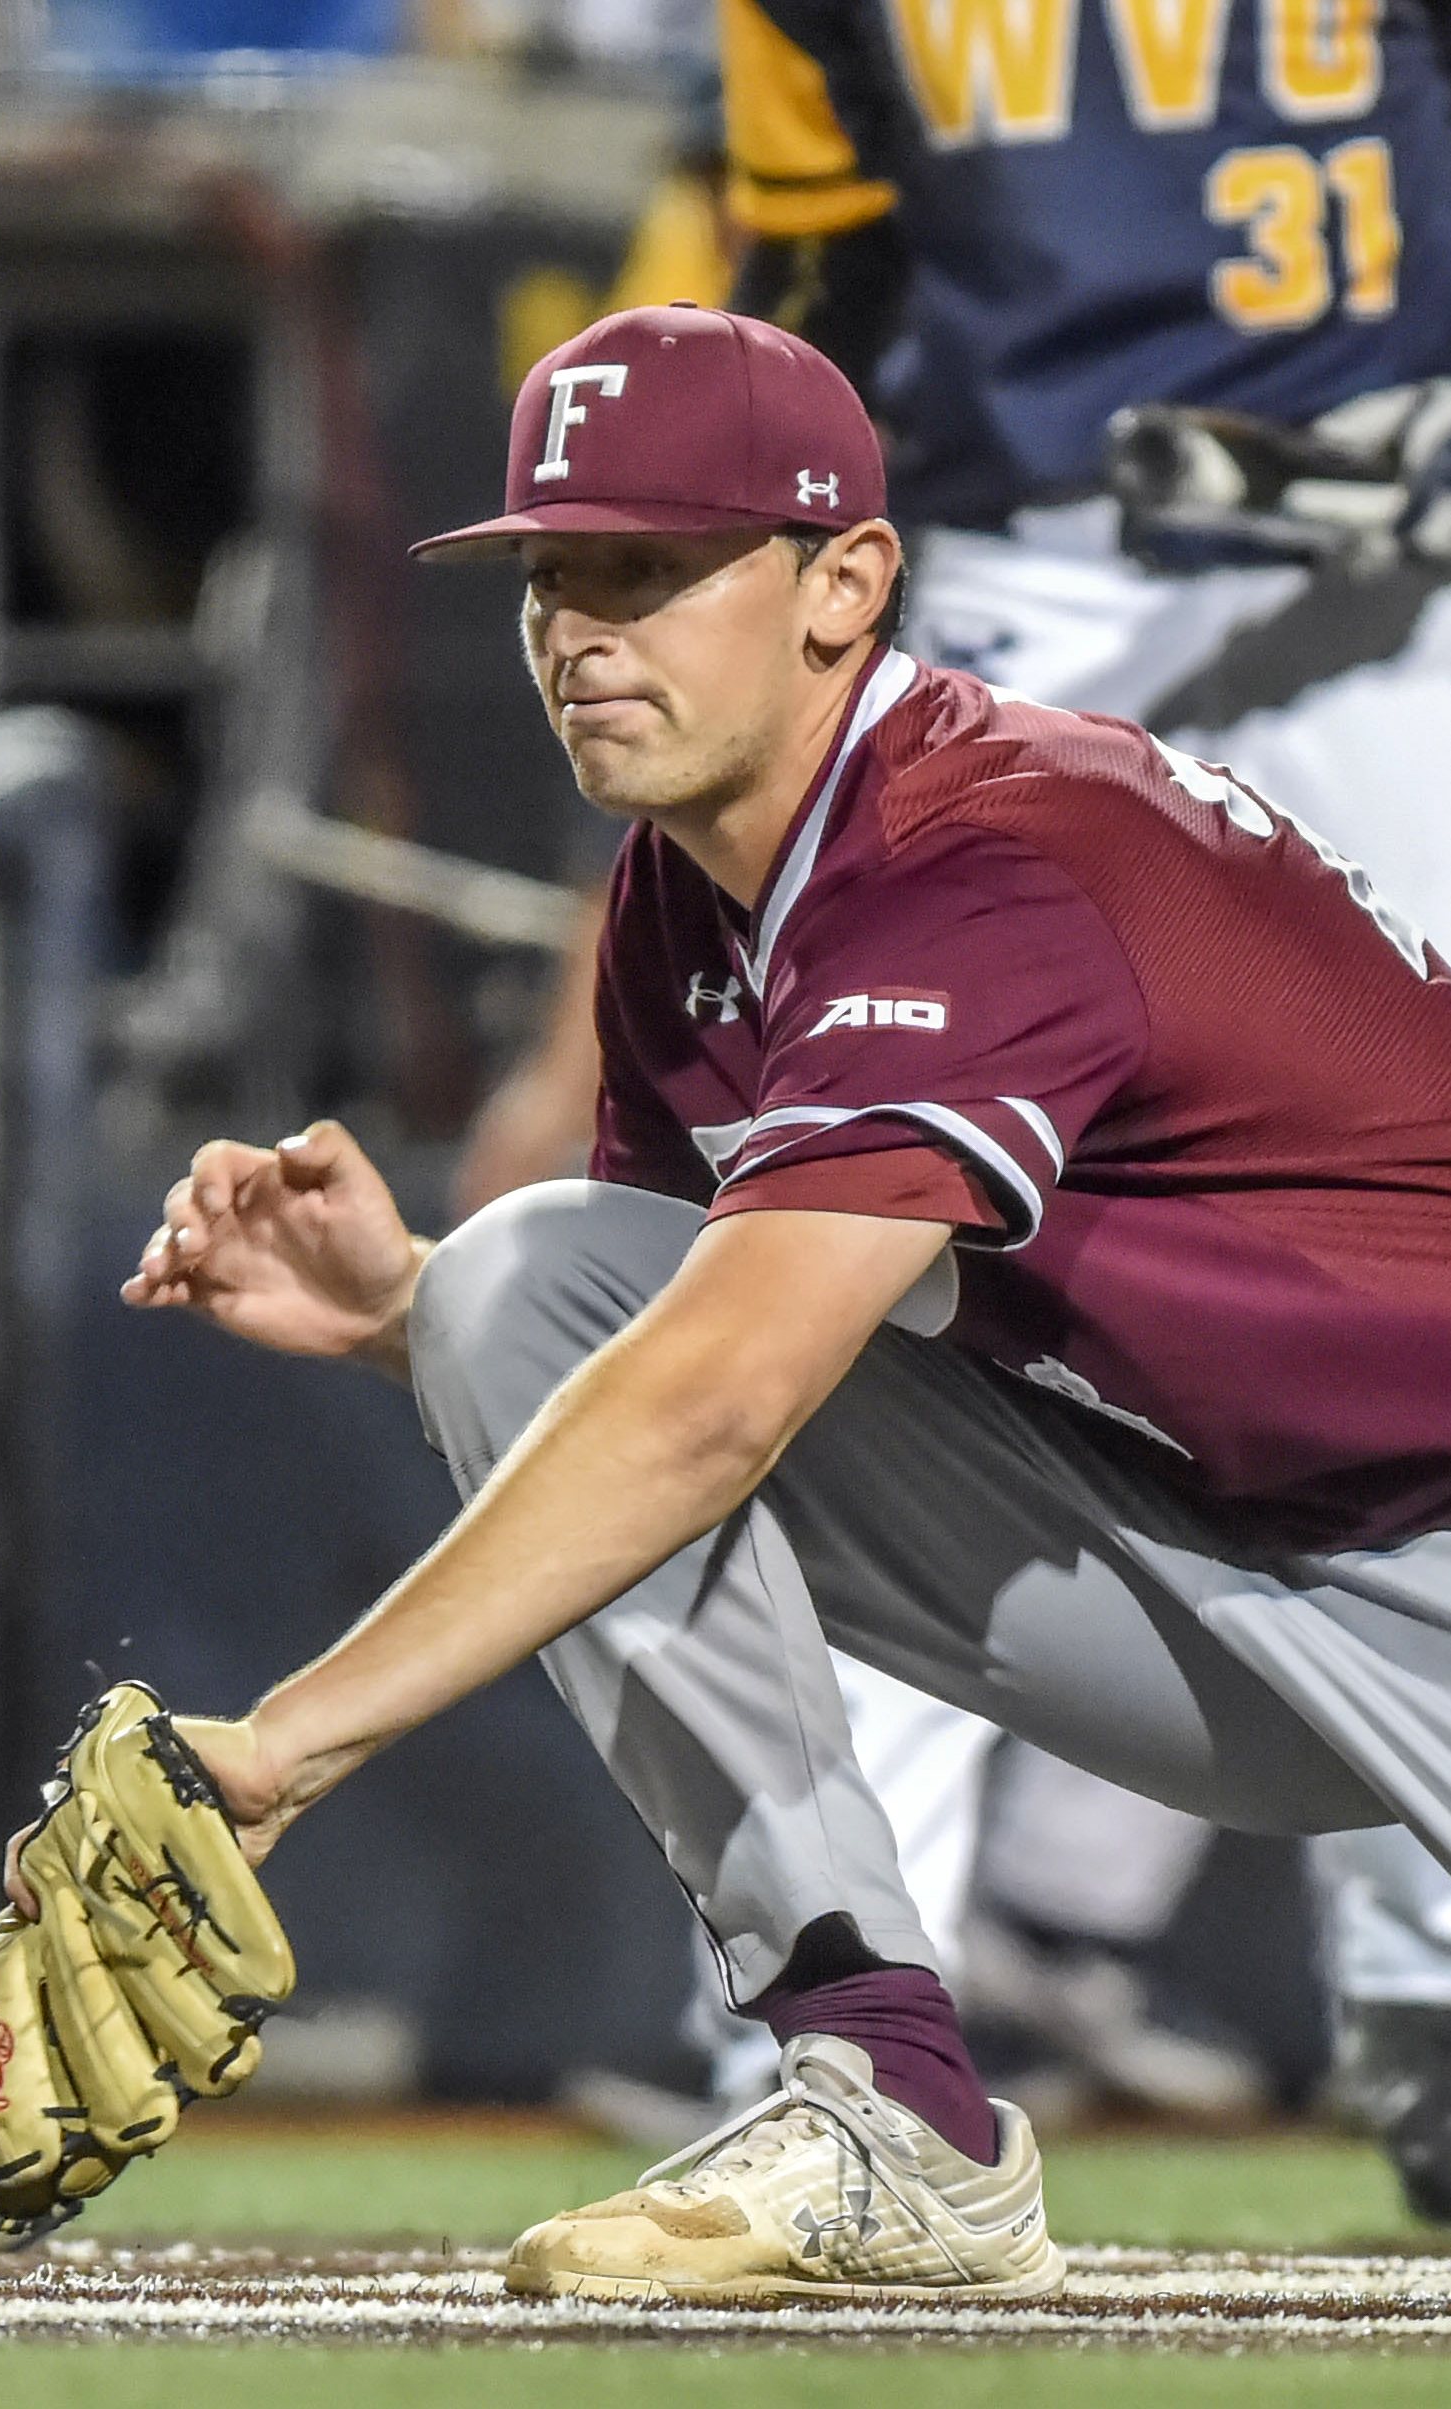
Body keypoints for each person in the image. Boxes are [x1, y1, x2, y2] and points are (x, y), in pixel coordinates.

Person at [98, 304, 1451, 2300]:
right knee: (525, 1285)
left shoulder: (977, 854)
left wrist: (282, 1745)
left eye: (648, 568)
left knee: (587, 1326)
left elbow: (710, 1402)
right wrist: (409, 1309)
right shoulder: (691, 895)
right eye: (551, 573)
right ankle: (887, 2096)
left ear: (844, 585)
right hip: (1240, 1558)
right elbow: (692, 1368)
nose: (580, 629)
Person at [459, 0, 1451, 2139]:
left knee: (1390, 1250)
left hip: (1395, 558)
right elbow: (806, 290)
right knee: (822, 1286)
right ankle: (819, 2029)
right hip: (1017, 563)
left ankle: (1423, 1996)